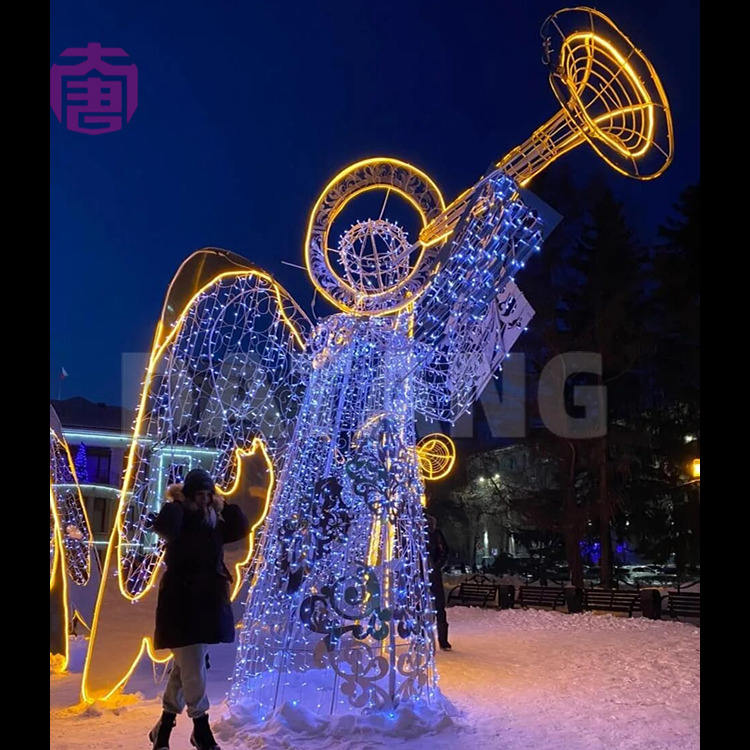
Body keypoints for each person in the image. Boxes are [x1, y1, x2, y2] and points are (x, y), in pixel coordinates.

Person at [147, 468, 250, 750]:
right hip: (181, 603)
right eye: (199, 494)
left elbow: (241, 527)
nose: (204, 499)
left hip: (207, 604)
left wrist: (223, 503)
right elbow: (165, 527)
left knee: (186, 668)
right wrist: (177, 503)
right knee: (193, 666)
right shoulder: (179, 517)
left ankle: (163, 731)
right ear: (189, 496)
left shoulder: (213, 521)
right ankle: (201, 729)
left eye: (208, 494)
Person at [425, 514, 451, 650]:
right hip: (421, 574)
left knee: (439, 607)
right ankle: (422, 638)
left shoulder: (436, 534)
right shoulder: (417, 536)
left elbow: (444, 551)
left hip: (433, 574)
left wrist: (436, 566)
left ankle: (443, 640)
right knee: (421, 606)